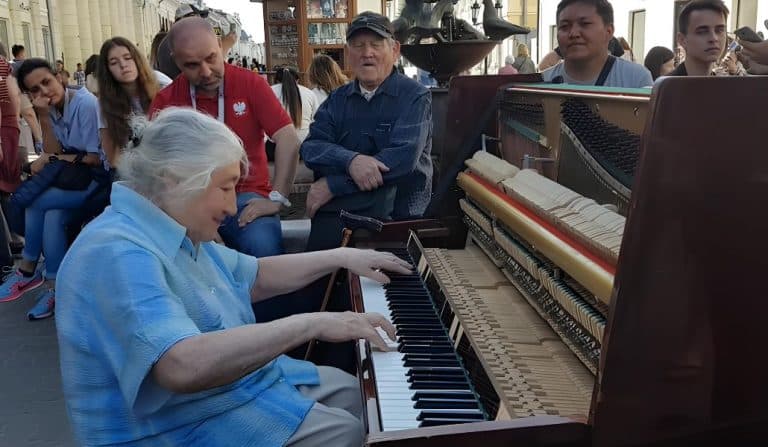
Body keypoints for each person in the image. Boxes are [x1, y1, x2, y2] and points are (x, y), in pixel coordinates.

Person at [56, 107, 409, 447]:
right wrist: (313, 324)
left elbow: (253, 275)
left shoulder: (170, 223)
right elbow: (179, 365)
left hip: (219, 395)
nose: (230, 207)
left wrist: (343, 257)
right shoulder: (118, 251)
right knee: (343, 431)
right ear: (174, 180)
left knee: (358, 393)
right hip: (166, 426)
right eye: (225, 188)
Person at [149, 18, 300, 259]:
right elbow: (155, 170)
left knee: (263, 248)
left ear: (220, 46)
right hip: (192, 201)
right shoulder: (167, 101)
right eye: (192, 65)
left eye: (211, 58)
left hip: (247, 197)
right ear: (176, 61)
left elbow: (288, 138)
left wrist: (278, 198)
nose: (206, 72)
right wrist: (192, 221)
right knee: (188, 255)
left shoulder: (249, 83)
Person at [301, 11, 433, 252]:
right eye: (358, 45)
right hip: (342, 211)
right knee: (315, 279)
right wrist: (351, 160)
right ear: (348, 54)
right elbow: (311, 147)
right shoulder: (337, 99)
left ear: (394, 50)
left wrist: (333, 184)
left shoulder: (415, 97)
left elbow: (401, 161)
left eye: (375, 44)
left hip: (396, 217)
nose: (367, 53)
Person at [8, 59, 106, 320]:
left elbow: (95, 159)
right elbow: (52, 150)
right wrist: (42, 116)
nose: (44, 92)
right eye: (35, 90)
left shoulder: (84, 104)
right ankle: (56, 288)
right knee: (53, 216)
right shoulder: (52, 108)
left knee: (36, 202)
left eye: (46, 82)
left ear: (60, 76)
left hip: (98, 182)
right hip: (74, 180)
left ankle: (27, 268)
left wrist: (55, 159)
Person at [542, 0, 653, 88]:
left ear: (609, 31)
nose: (573, 33)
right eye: (565, 26)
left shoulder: (636, 79)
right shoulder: (541, 84)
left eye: (585, 24)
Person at [97, 37, 159, 168]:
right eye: (114, 63)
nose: (123, 65)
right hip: (131, 170)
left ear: (137, 59)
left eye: (127, 58)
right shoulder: (104, 104)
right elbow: (113, 159)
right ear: (107, 71)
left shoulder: (161, 84)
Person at [155, 3, 238, 80]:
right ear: (189, 18)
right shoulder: (183, 42)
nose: (202, 21)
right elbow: (209, 72)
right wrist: (226, 46)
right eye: (199, 18)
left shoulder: (168, 41)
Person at [667, 0, 728, 77]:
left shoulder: (725, 86)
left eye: (719, 30)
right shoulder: (667, 86)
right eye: (702, 32)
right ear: (682, 40)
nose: (714, 38)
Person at [271, 66, 319, 142]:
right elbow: (316, 119)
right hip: (304, 140)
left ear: (276, 80)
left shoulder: (270, 91)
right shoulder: (310, 93)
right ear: (297, 80)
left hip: (277, 142)